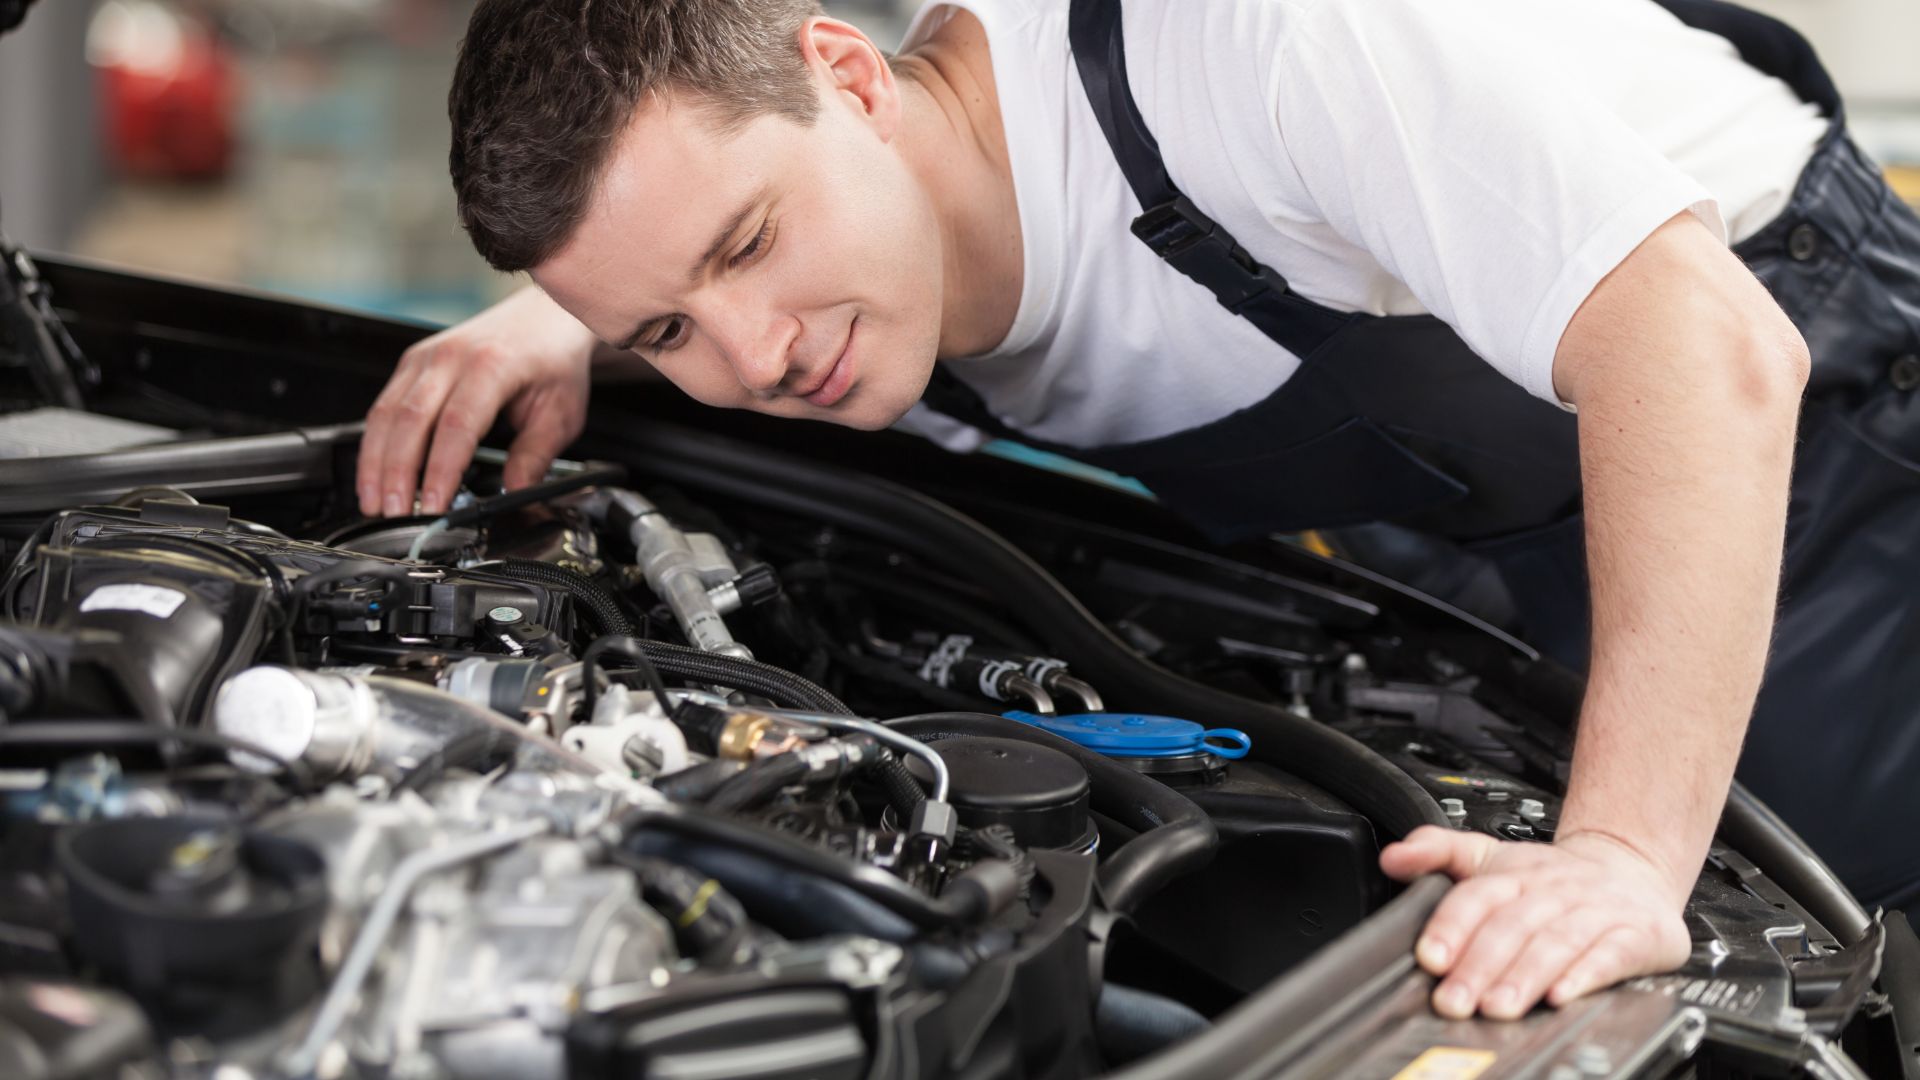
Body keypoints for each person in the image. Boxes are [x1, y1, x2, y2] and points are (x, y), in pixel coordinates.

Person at [355, 0, 1920, 1022]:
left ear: (846, 73)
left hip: (1810, 438)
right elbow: (707, 280)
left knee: (1846, 964)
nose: (754, 356)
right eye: (669, 333)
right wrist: (569, 327)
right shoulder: (842, 266)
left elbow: (1709, 354)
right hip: (1455, 546)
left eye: (750, 241)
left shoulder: (1238, 45)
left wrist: (1627, 856)